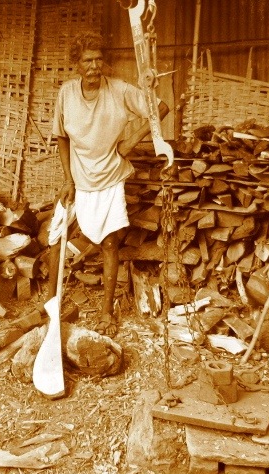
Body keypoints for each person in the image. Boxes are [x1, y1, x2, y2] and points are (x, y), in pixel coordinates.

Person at [47, 31, 169, 337]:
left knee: (110, 244)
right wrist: (67, 178)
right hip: (78, 178)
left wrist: (129, 143)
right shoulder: (67, 93)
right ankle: (50, 306)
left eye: (98, 59)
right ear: (76, 64)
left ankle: (106, 313)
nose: (93, 66)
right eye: (87, 60)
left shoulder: (119, 90)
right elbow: (62, 137)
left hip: (110, 177)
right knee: (56, 239)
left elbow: (160, 107)